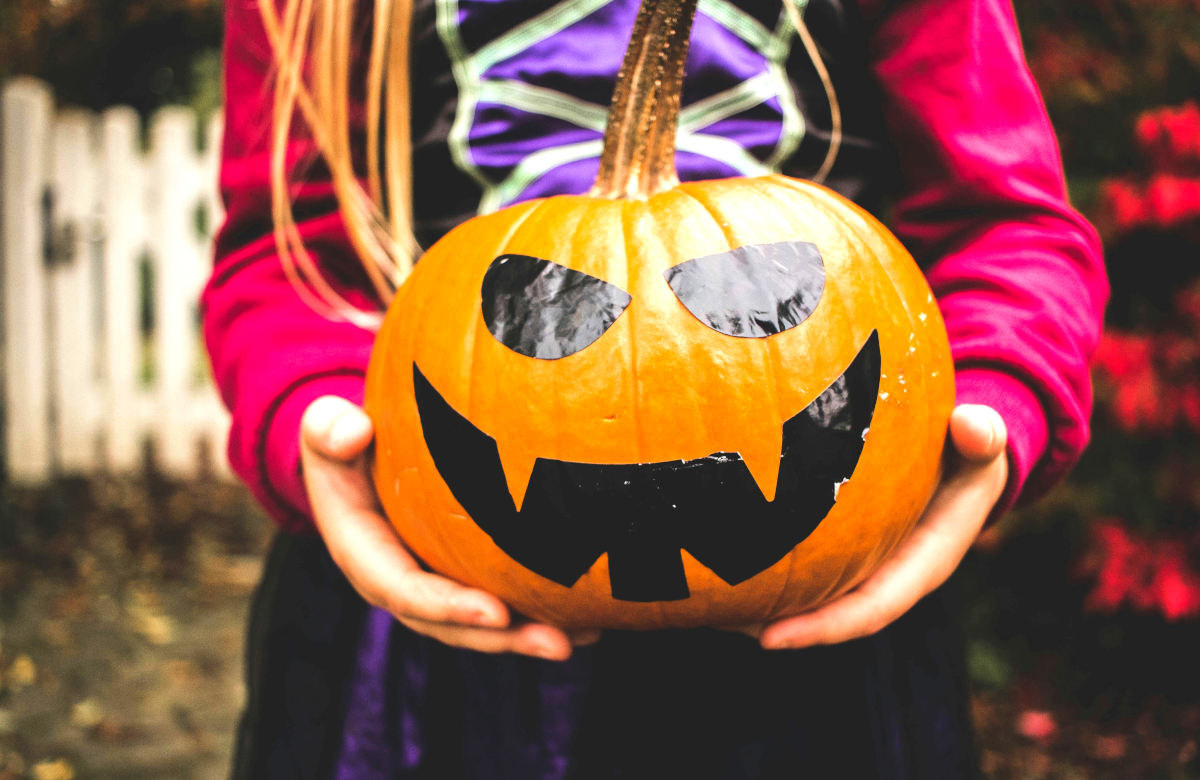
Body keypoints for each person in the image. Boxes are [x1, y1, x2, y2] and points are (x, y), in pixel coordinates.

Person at [204, 0, 1108, 775]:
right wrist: (310, 420)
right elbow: (282, 255)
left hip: (830, 602)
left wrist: (995, 398)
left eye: (763, 295)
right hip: (426, 609)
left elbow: (1008, 222)